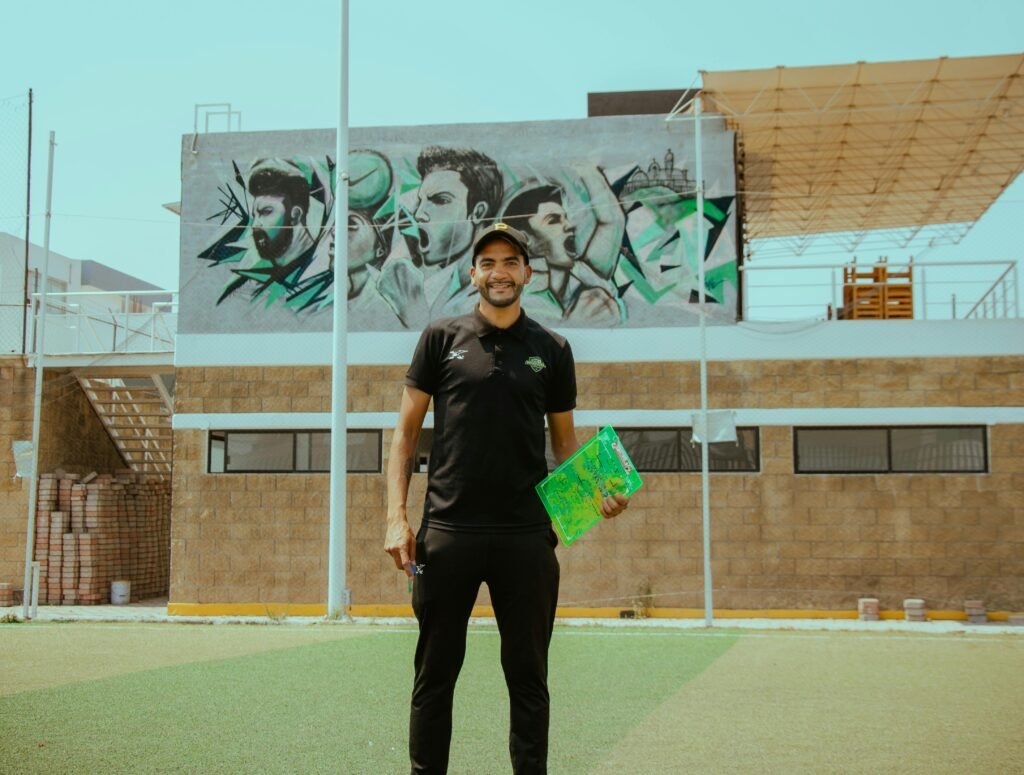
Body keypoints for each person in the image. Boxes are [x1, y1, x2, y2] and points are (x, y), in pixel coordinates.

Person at [384, 222, 629, 774]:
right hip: (447, 533)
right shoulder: (440, 338)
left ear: (528, 274)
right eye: (489, 262)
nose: (500, 272)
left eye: (511, 262)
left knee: (528, 678)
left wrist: (600, 492)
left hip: (526, 537)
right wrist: (397, 519)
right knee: (435, 675)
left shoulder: (552, 349)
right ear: (473, 273)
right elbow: (403, 437)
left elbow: (565, 444)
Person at [378, 146, 503, 327]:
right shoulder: (447, 288)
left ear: (478, 212)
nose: (419, 214)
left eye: (440, 200)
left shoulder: (499, 291)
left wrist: (412, 310)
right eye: (420, 201)